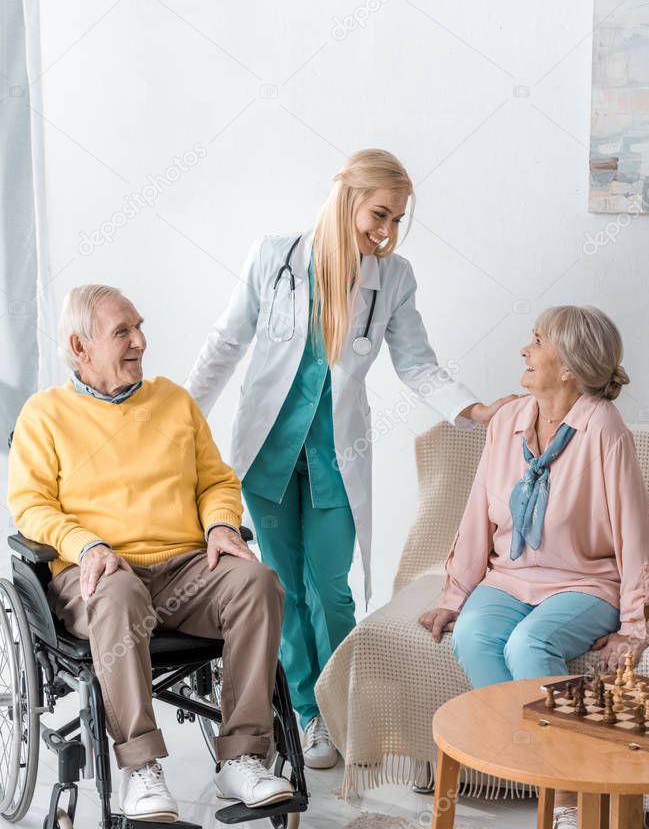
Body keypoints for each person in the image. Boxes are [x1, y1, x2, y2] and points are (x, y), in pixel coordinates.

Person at [185, 148, 516, 769]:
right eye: (380, 214)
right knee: (279, 590)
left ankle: (345, 705)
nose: (386, 232)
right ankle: (309, 715)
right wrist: (178, 420)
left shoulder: (393, 278)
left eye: (396, 219)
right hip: (267, 458)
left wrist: (474, 412)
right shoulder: (273, 257)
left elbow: (416, 362)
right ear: (347, 198)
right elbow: (226, 344)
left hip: (338, 456)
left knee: (330, 589)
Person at [8, 284, 294, 822]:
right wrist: (87, 545)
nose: (140, 341)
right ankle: (141, 768)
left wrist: (219, 526)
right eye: (123, 332)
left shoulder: (174, 401)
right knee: (117, 596)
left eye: (140, 327)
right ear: (80, 346)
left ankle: (243, 757)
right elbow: (31, 507)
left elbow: (217, 481)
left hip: (185, 567)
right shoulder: (44, 415)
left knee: (258, 582)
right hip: (97, 572)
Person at [419, 305, 649, 829]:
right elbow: (478, 512)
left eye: (537, 341)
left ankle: (572, 796)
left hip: (584, 582)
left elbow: (633, 527)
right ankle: (542, 773)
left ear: (570, 366)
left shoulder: (603, 427)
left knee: (531, 643)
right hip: (510, 578)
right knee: (475, 637)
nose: (524, 351)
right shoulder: (506, 420)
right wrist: (454, 596)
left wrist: (633, 624)